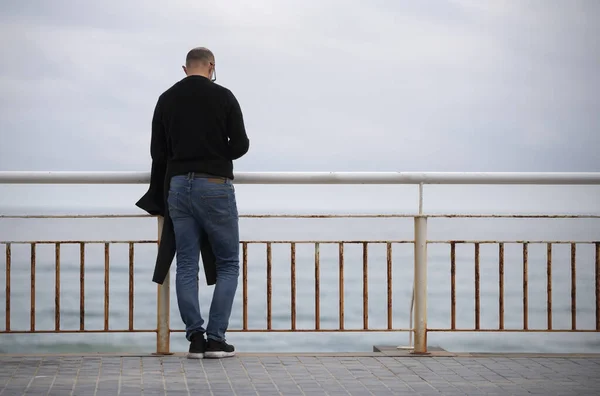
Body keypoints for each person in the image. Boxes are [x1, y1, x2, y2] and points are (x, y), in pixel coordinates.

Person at [149, 47, 249, 359]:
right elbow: (241, 144)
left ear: (185, 68)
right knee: (229, 263)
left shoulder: (167, 98)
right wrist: (217, 155)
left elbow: (158, 151)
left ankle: (195, 338)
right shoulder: (224, 96)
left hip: (178, 187)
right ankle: (216, 340)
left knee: (187, 265)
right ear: (211, 67)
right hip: (215, 186)